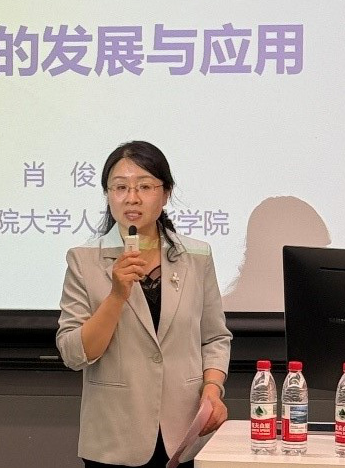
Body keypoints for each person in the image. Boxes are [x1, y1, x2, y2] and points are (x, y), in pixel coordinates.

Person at [57, 141, 232, 468]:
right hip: (114, 438)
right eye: (120, 187)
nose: (132, 198)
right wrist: (116, 296)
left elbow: (214, 337)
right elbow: (74, 354)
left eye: (145, 186)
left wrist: (212, 388)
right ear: (108, 195)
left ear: (165, 194)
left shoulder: (196, 257)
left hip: (184, 433)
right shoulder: (83, 260)